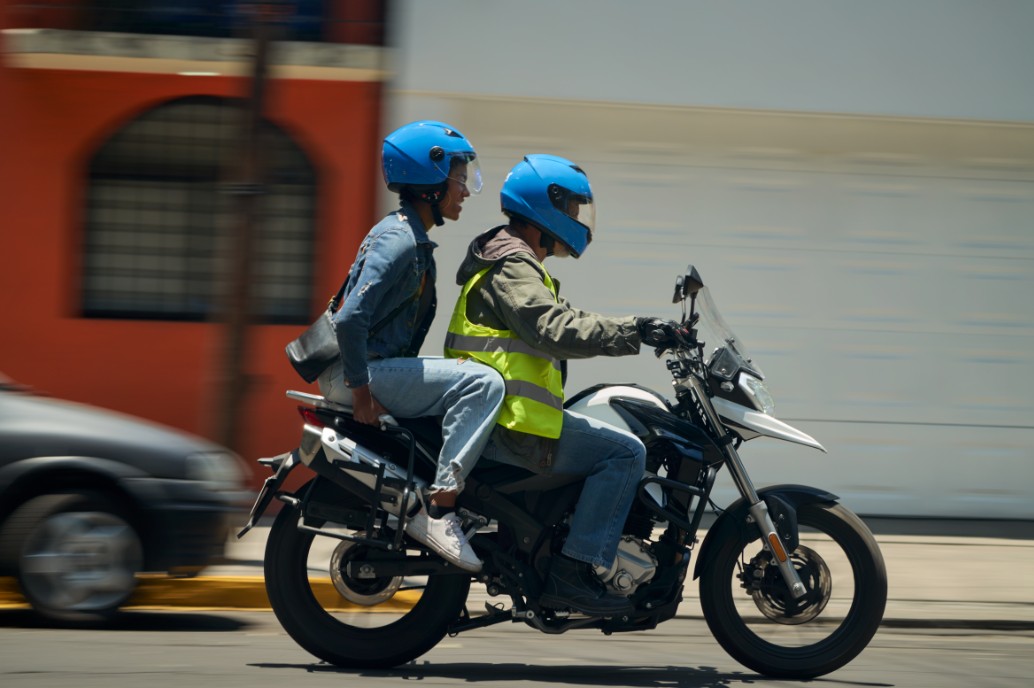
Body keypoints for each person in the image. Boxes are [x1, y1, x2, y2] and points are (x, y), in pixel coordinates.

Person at [443, 154, 685, 615]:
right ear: (544, 207)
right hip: (509, 428)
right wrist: (637, 330)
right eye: (572, 209)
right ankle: (572, 572)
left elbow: (566, 320)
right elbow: (554, 328)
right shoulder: (513, 264)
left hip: (505, 419)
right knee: (625, 452)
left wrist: (646, 327)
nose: (577, 220)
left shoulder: (517, 262)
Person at [317, 120, 505, 573]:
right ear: (429, 182)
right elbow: (351, 318)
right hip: (358, 372)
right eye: (458, 177)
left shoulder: (409, 236)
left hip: (370, 367)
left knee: (466, 375)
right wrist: (361, 391)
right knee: (483, 384)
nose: (464, 189)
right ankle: (440, 510)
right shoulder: (400, 240)